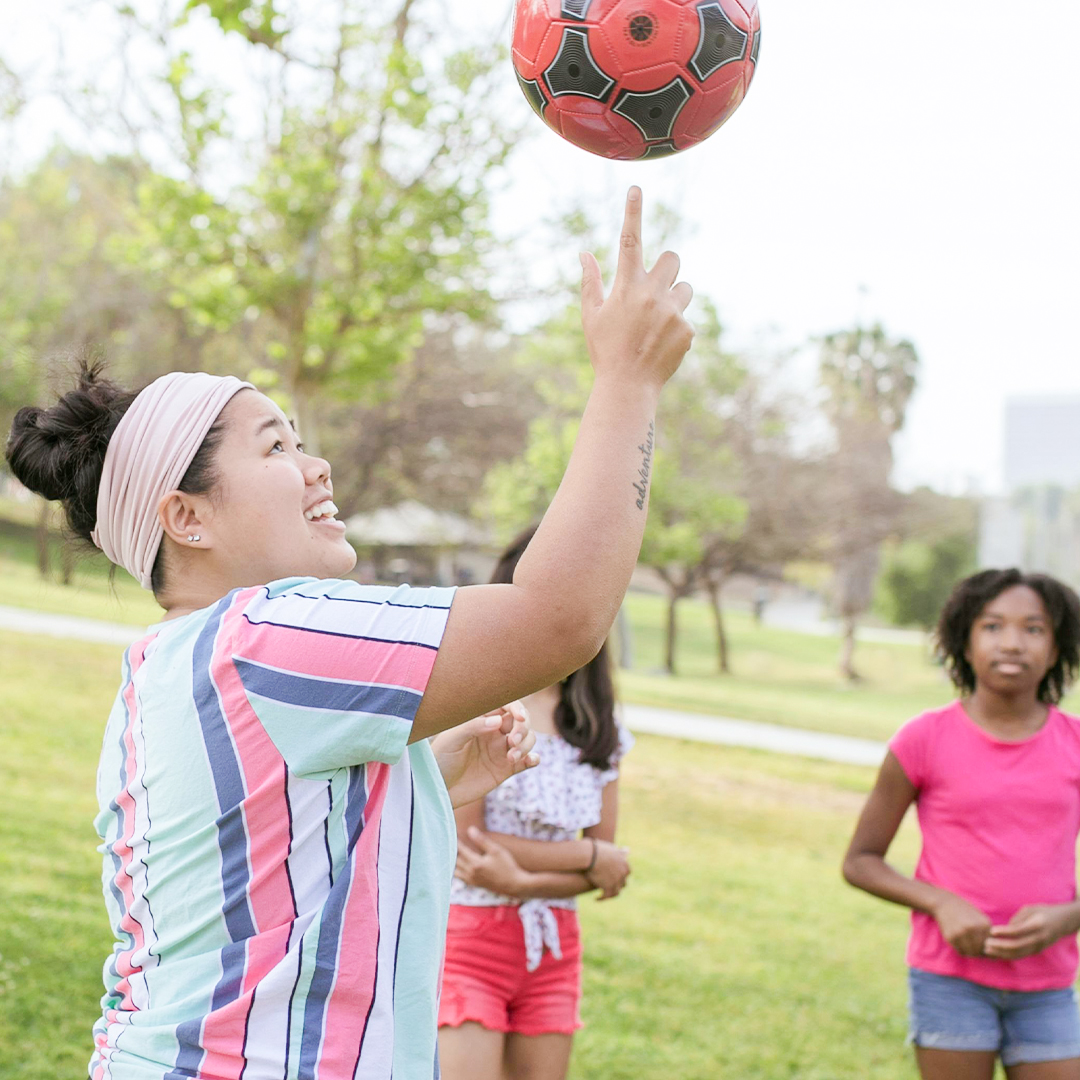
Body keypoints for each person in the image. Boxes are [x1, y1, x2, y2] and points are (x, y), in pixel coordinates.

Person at [3, 187, 694, 1080]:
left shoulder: (169, 664)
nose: (315, 465)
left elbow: (267, 853)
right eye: (276, 447)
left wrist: (429, 773)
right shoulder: (269, 634)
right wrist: (628, 382)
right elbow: (557, 619)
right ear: (188, 516)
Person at [843, 569, 1080, 1080]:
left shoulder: (1076, 744)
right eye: (992, 626)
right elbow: (860, 862)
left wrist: (1070, 916)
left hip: (1049, 986)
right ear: (964, 643)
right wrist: (940, 901)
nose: (1012, 642)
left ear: (1058, 646)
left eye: (1033, 629)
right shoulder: (922, 739)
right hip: (949, 981)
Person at [437, 526, 633, 1080]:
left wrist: (525, 883)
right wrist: (589, 859)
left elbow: (600, 868)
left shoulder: (600, 728)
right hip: (470, 937)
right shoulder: (481, 702)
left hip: (554, 946)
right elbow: (473, 847)